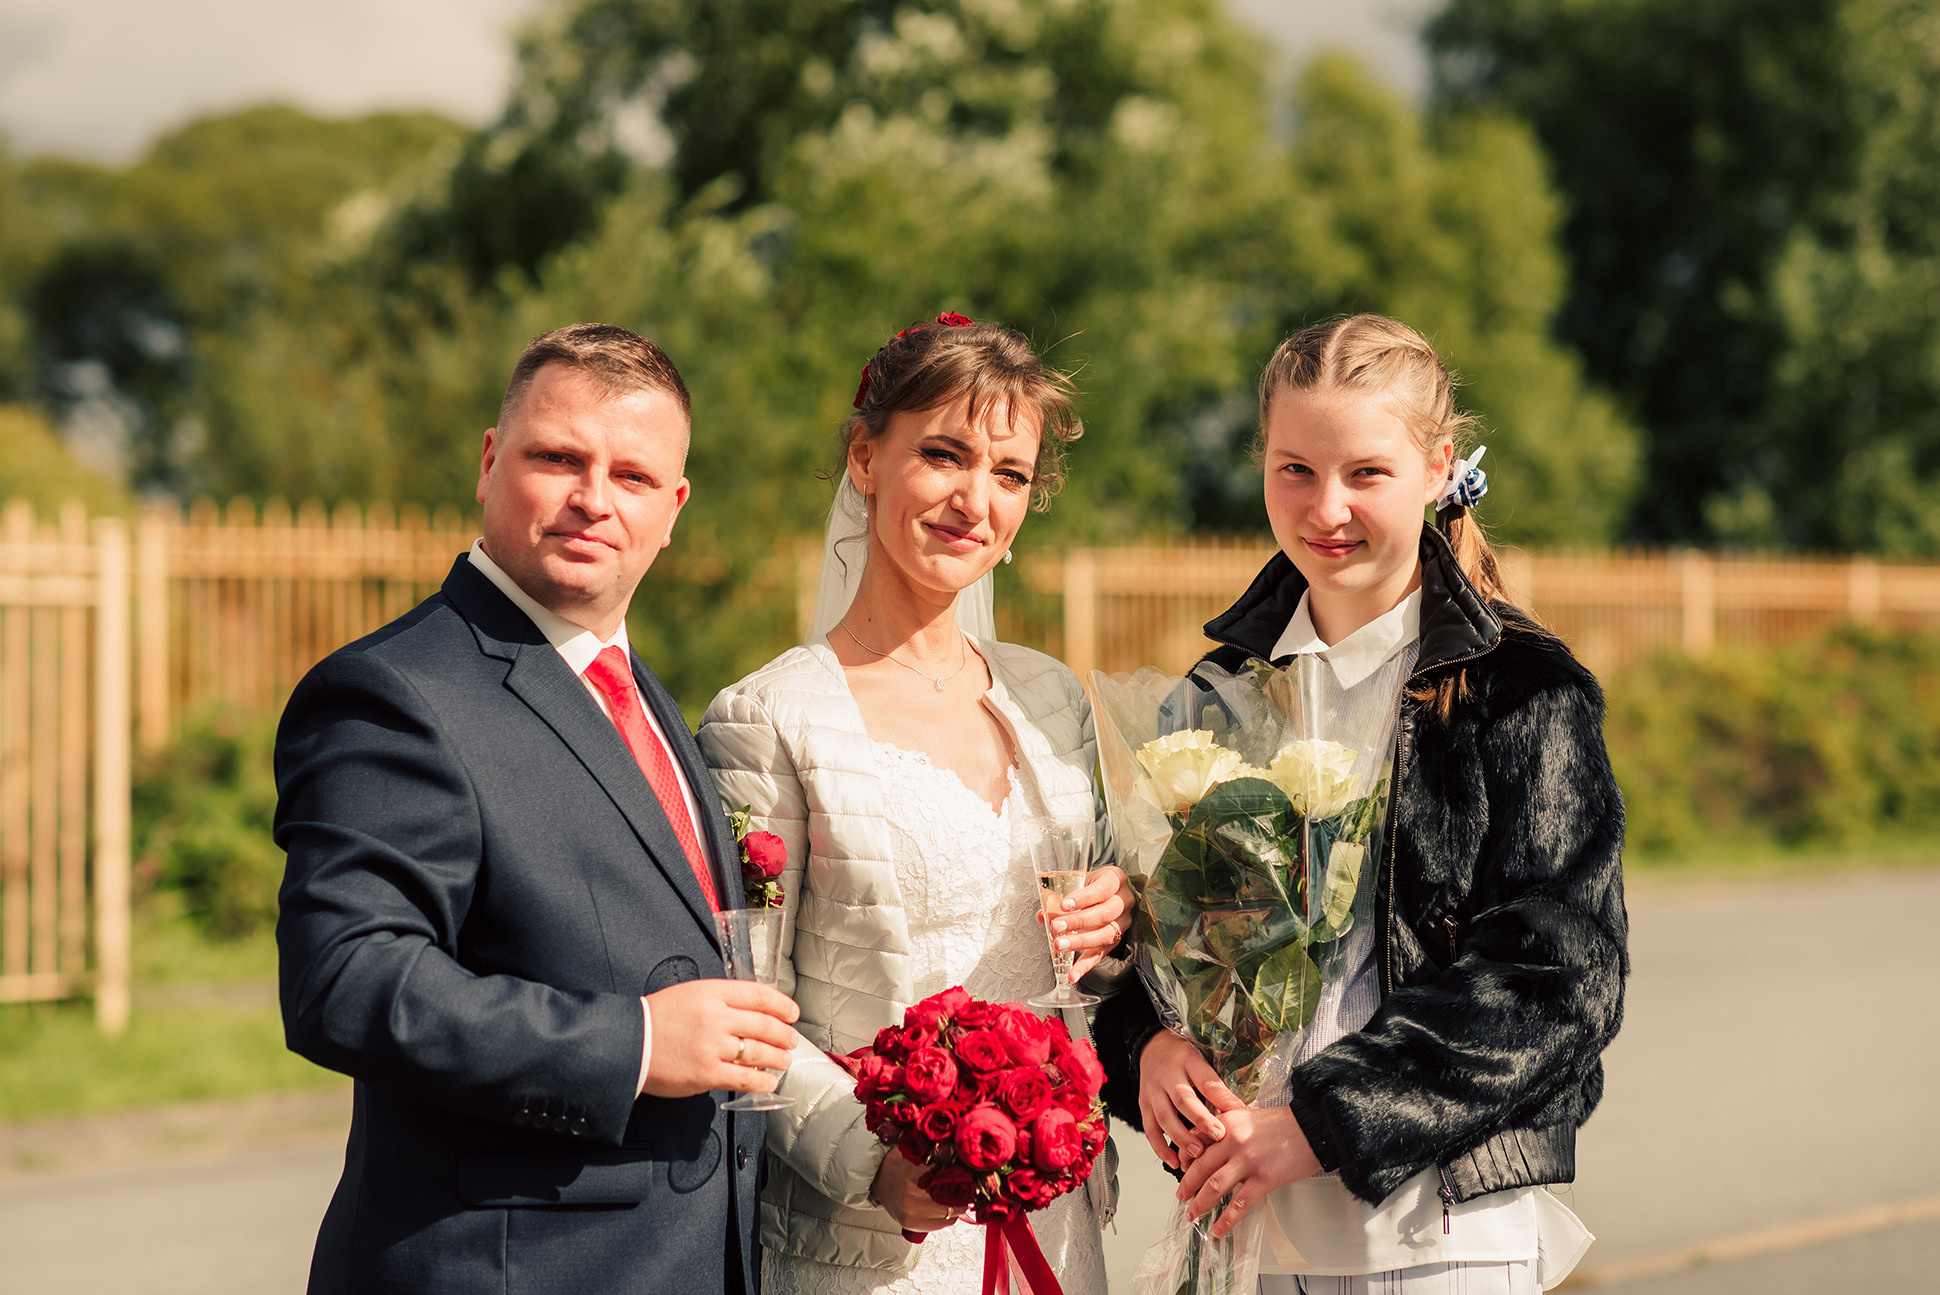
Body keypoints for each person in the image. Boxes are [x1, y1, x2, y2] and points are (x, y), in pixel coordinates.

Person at [1092, 314, 1628, 1294]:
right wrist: (1145, 1045)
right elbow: (1145, 937)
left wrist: (1322, 1121)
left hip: (1434, 1237)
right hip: (1238, 1229)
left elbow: (1558, 979)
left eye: (1364, 473)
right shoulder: (1215, 690)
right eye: (1292, 467)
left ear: (1434, 468)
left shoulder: (1520, 689)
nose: (1323, 506)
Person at [274, 324, 801, 1295]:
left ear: (673, 506)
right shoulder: (394, 690)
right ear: (488, 460)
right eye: (558, 457)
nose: (593, 499)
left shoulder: (640, 692)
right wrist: (634, 1043)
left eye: (632, 476)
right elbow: (343, 977)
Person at [696, 315, 1133, 1294]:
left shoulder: (1051, 697)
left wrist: (1120, 920)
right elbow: (745, 1015)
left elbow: (1090, 976)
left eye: (1009, 473)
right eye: (942, 453)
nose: (973, 499)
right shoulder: (767, 717)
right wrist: (875, 1158)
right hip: (871, 1243)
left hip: (1055, 1221)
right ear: (864, 456)